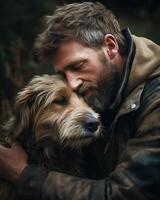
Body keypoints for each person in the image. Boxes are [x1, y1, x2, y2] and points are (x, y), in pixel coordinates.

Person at [0, 2, 160, 199]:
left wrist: (23, 174)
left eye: (78, 66)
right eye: (62, 73)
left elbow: (127, 194)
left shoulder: (155, 100)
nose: (73, 83)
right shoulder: (102, 87)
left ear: (110, 46)